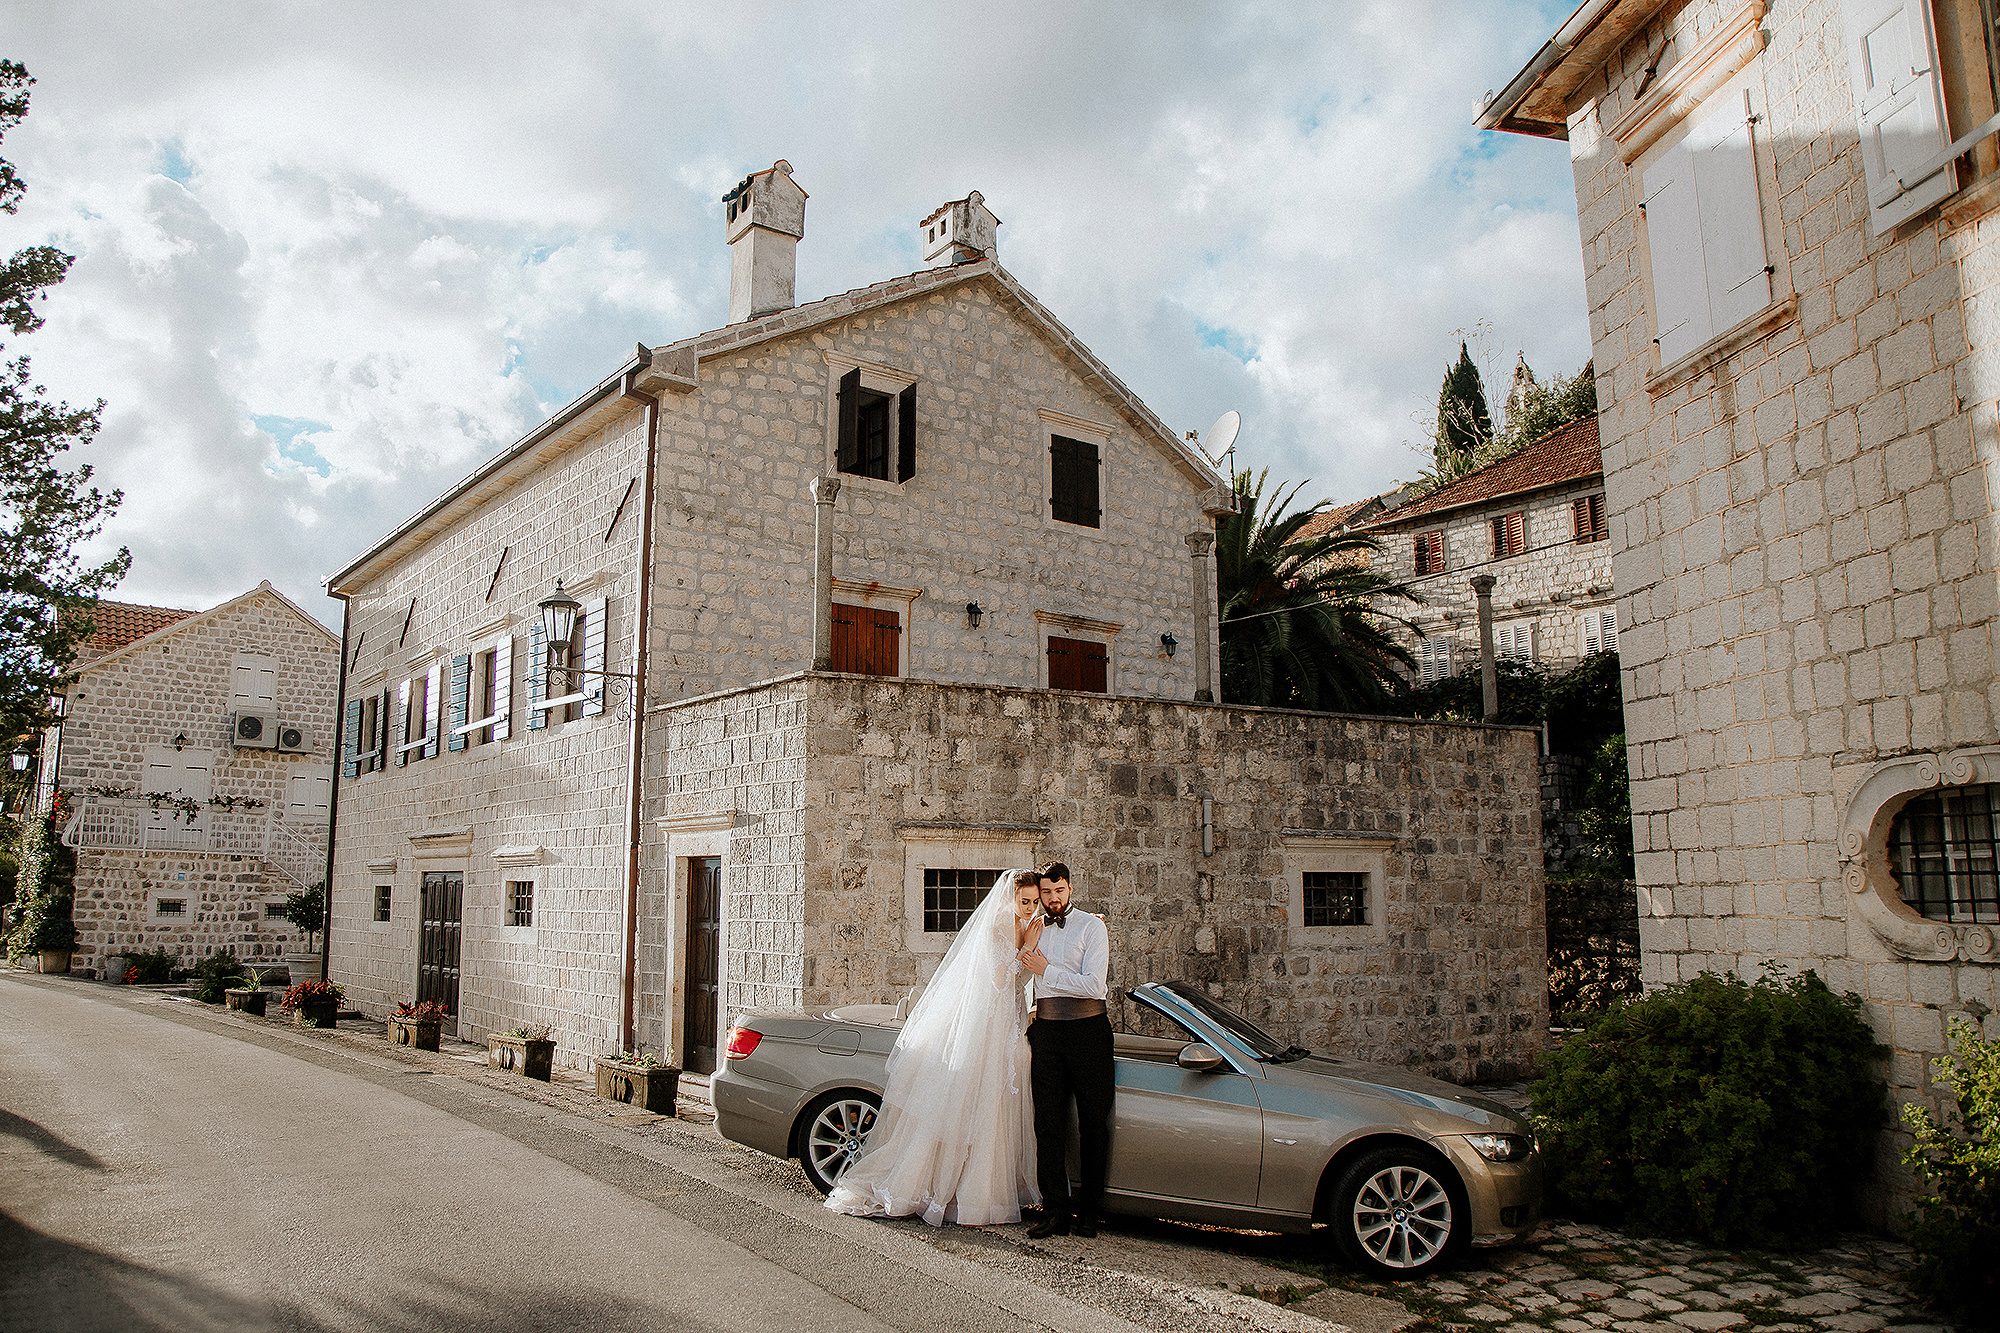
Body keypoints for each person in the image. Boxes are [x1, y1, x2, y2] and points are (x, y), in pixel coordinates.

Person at [824, 869, 1045, 1226]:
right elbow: (1001, 978)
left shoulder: (1025, 922)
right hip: (987, 1022)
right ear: (1009, 897)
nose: (1031, 907)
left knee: (998, 1104)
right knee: (973, 1102)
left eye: (1035, 902)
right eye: (1025, 901)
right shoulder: (1001, 924)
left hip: (1009, 1020)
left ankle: (982, 1188)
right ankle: (938, 1188)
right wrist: (1029, 946)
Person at [1018, 861, 1113, 1239]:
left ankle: (1091, 1213)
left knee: (1093, 1124)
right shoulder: (1035, 928)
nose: (1053, 898)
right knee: (1048, 1125)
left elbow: (1095, 987)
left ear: (1070, 889)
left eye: (1059, 891)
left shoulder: (1093, 927)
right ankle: (1055, 1211)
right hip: (1048, 1035)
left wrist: (1046, 970)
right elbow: (1020, 972)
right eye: (1046, 893)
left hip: (1089, 1033)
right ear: (1040, 893)